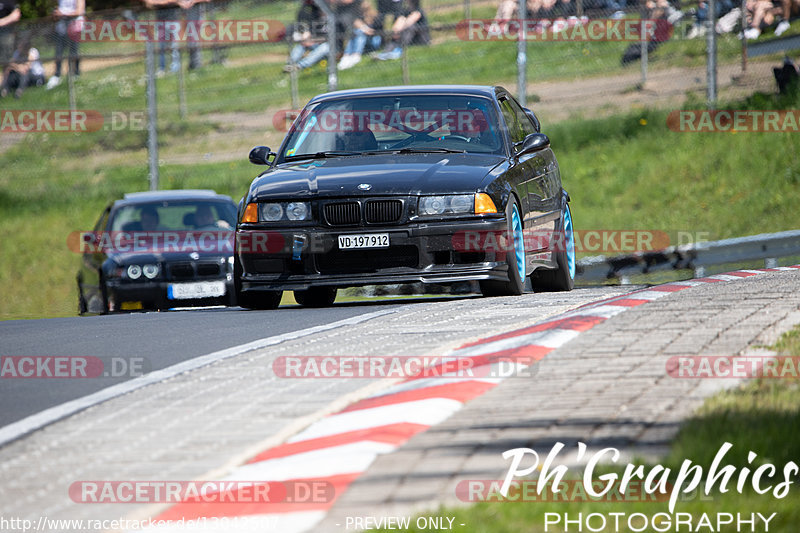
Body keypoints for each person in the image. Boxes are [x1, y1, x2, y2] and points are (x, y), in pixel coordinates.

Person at [46, 0, 84, 90]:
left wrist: (62, 13)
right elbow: (57, 12)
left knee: (73, 51)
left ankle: (75, 74)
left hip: (74, 26)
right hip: (62, 27)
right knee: (58, 52)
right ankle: (57, 75)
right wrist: (56, 15)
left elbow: (79, 11)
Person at [284, 0, 330, 72]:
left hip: (330, 47)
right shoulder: (316, 17)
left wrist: (315, 40)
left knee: (325, 47)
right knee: (302, 45)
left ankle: (299, 66)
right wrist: (309, 39)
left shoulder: (334, 18)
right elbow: (312, 31)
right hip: (316, 43)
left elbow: (333, 37)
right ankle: (290, 63)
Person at [338, 0, 381, 69]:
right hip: (361, 39)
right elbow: (355, 25)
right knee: (355, 32)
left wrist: (365, 28)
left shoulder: (374, 15)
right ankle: (347, 55)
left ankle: (356, 55)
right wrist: (363, 28)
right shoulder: (358, 16)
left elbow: (373, 31)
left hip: (373, 40)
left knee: (359, 32)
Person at [0, 1, 20, 69]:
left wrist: (2, 22)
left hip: (5, 35)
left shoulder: (7, 1)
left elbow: (16, 14)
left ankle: (7, 78)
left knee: (7, 60)